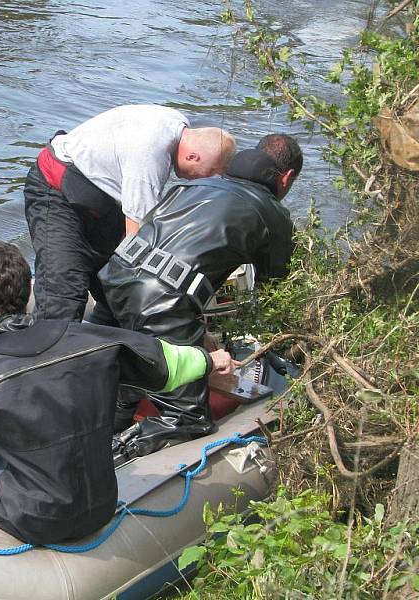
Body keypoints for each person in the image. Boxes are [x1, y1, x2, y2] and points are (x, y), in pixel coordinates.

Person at [0, 241, 237, 545]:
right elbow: (168, 363)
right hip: (102, 503)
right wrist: (210, 358)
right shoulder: (90, 339)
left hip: (35, 517)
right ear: (29, 286)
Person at [99, 133, 302, 445]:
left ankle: (112, 417)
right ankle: (118, 456)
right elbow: (276, 290)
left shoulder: (190, 185)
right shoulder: (273, 214)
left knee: (127, 381)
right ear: (286, 178)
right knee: (189, 421)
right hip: (161, 302)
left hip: (114, 277)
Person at [24, 104, 237, 325]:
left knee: (118, 295)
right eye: (209, 174)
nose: (200, 182)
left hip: (102, 202)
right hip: (57, 194)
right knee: (63, 300)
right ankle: (48, 349)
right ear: (193, 157)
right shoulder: (149, 157)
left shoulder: (178, 125)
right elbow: (137, 243)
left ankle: (104, 345)